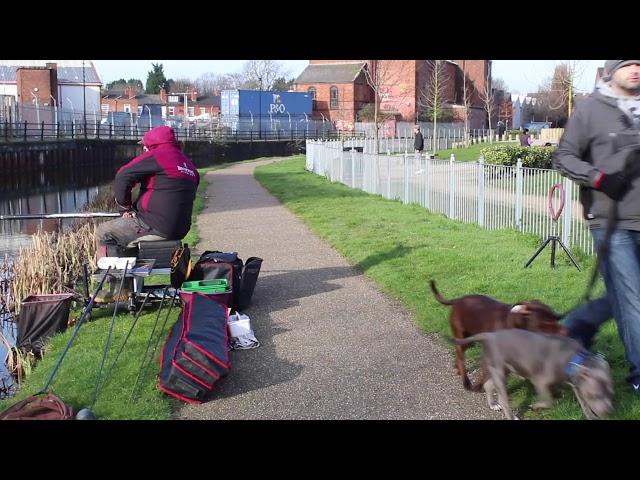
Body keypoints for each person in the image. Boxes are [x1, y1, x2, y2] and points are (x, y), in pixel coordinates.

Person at [553, 59, 640, 395]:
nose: (635, 69)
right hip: (611, 222)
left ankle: (573, 328)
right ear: (610, 70)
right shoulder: (590, 110)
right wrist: (600, 179)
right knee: (633, 297)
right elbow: (564, 156)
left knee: (624, 295)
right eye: (627, 63)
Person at [95, 125, 200, 300]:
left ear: (152, 144)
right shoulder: (187, 164)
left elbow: (123, 175)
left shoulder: (158, 155)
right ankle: (129, 284)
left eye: (145, 145)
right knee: (127, 237)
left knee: (105, 232)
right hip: (180, 227)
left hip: (155, 223)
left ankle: (117, 290)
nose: (143, 148)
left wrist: (125, 207)